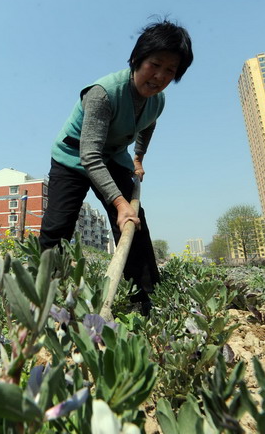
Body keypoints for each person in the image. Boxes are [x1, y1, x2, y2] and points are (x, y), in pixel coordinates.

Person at [38, 19, 194, 314]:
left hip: (113, 157)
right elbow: (90, 157)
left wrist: (138, 159)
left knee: (134, 223)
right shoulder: (103, 94)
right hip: (74, 157)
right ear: (137, 59)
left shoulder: (157, 101)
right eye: (155, 64)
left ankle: (146, 299)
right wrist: (120, 202)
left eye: (170, 71)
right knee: (58, 226)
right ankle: (44, 294)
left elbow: (149, 125)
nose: (160, 76)